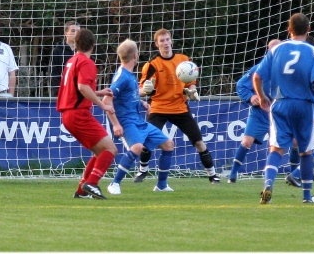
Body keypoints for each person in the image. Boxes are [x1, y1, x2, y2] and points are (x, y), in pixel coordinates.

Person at [254, 13, 314, 204]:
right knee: (306, 152)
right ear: (309, 29)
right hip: (304, 105)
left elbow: (257, 77)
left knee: (276, 149)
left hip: (280, 103)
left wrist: (262, 97)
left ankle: (268, 184)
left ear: (288, 29)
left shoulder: (276, 50)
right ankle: (306, 196)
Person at [134, 28, 220, 183]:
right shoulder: (151, 65)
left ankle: (212, 174)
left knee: (199, 142)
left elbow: (191, 83)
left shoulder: (183, 60)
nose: (165, 43)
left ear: (171, 41)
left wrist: (192, 92)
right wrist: (145, 90)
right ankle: (142, 171)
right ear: (156, 44)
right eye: (162, 41)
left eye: (167, 40)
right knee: (147, 141)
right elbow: (141, 90)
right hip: (159, 108)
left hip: (180, 107)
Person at [104, 39, 176, 194]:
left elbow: (127, 95)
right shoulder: (122, 76)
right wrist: (116, 124)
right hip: (126, 121)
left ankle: (161, 185)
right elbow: (106, 100)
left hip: (138, 120)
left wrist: (141, 103)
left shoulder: (129, 75)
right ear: (135, 56)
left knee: (168, 144)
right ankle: (114, 183)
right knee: (137, 147)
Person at [56, 28, 117, 200]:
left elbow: (77, 88)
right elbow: (82, 88)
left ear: (76, 43)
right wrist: (102, 105)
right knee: (110, 149)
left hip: (68, 114)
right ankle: (92, 183)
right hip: (78, 114)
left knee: (99, 152)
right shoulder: (86, 62)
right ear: (93, 44)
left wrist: (98, 92)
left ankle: (82, 191)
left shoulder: (72, 60)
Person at [228, 39, 294, 183]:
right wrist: (250, 97)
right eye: (273, 50)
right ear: (268, 52)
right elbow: (241, 85)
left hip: (279, 114)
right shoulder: (259, 69)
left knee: (289, 144)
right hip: (259, 114)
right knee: (246, 141)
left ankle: (295, 175)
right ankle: (232, 174)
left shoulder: (288, 69)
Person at [49, 20, 80, 97]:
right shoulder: (57, 51)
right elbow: (53, 74)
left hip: (80, 94)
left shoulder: (83, 51)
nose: (76, 33)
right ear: (66, 33)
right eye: (73, 31)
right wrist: (58, 92)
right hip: (61, 94)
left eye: (78, 31)